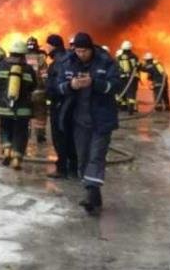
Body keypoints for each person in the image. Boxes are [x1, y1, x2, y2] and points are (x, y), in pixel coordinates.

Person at [50, 32, 121, 214]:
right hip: (78, 120)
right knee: (83, 157)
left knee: (96, 156)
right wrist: (71, 85)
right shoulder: (67, 62)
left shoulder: (106, 62)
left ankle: (90, 195)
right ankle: (94, 194)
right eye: (78, 50)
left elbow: (115, 85)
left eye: (84, 51)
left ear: (91, 48)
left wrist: (94, 82)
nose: (81, 54)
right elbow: (57, 87)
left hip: (100, 119)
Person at [0, 38, 37, 170]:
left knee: (5, 128)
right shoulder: (28, 69)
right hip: (23, 109)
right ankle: (17, 159)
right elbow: (33, 87)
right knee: (21, 132)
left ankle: (7, 150)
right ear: (23, 54)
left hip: (3, 107)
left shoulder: (0, 65)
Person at [43, 34, 78, 179]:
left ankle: (62, 169)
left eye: (48, 45)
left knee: (59, 137)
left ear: (53, 45)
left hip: (59, 105)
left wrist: (46, 94)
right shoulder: (70, 58)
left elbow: (55, 86)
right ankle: (74, 168)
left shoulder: (58, 62)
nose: (46, 48)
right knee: (71, 136)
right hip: (73, 104)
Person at [22, 36, 48, 144]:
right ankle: (40, 136)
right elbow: (45, 76)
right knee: (40, 114)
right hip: (39, 91)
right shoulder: (41, 58)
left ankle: (25, 134)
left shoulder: (22, 58)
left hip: (24, 91)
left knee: (25, 113)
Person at [115, 40, 141, 113]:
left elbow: (116, 67)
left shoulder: (118, 57)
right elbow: (137, 66)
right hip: (132, 78)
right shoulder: (134, 56)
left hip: (122, 77)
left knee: (122, 91)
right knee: (131, 92)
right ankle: (131, 108)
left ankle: (123, 107)